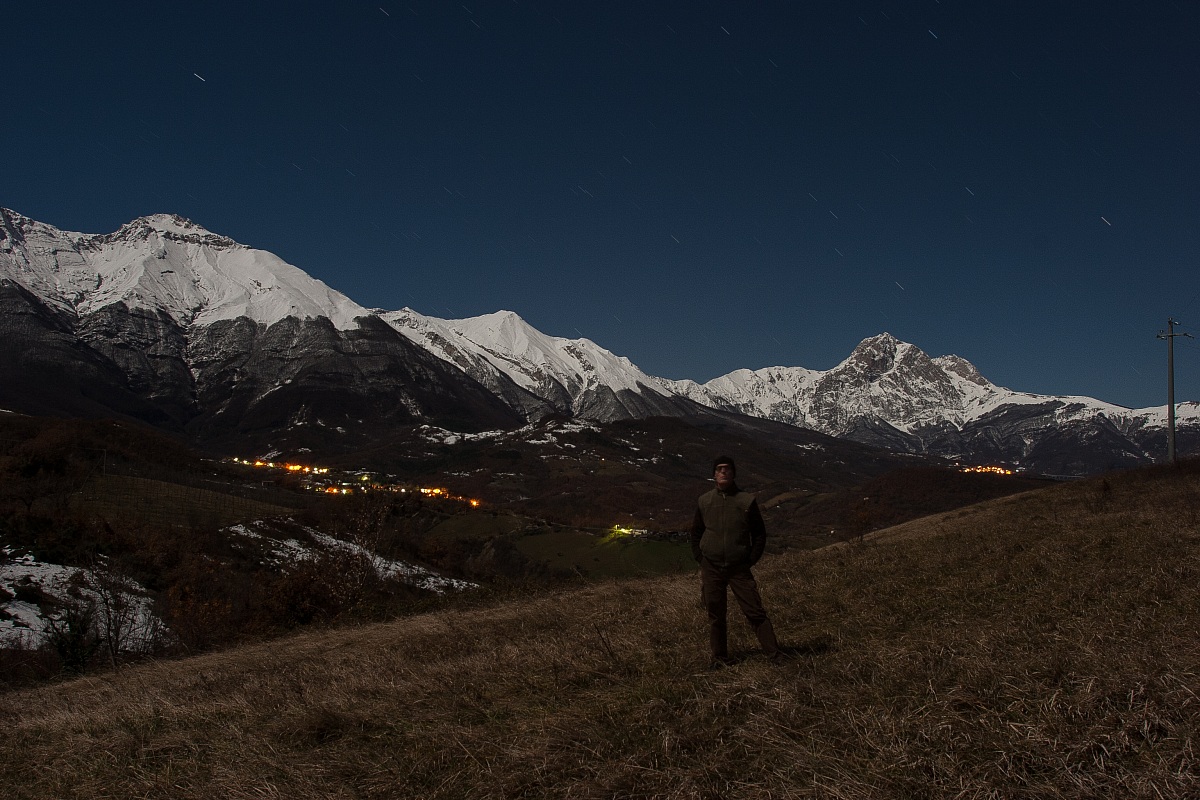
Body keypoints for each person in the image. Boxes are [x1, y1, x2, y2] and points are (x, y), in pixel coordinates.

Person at [690, 455, 780, 668]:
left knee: (754, 611)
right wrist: (700, 557)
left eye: (727, 469)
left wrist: (750, 560)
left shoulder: (746, 501)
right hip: (711, 566)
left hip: (738, 566)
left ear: (733, 473)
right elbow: (696, 532)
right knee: (716, 614)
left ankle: (775, 655)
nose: (723, 472)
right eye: (719, 469)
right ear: (714, 474)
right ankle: (720, 658)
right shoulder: (704, 501)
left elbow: (759, 534)